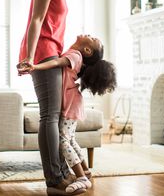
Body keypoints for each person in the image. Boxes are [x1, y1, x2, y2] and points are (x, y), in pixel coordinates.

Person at [17, 0, 99, 195]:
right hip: (42, 53)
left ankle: (60, 173)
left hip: (49, 52)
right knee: (50, 117)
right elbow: (36, 20)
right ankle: (54, 177)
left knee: (53, 117)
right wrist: (30, 57)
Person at [18, 34, 117, 194]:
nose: (89, 35)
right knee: (70, 138)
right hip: (74, 102)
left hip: (70, 103)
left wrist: (35, 67)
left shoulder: (75, 55)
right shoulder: (77, 56)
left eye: (93, 39)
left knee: (63, 140)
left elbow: (57, 62)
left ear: (87, 50)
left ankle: (80, 177)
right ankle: (85, 170)